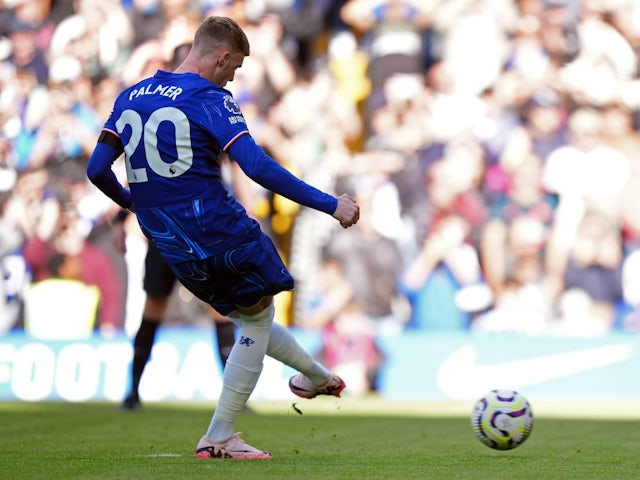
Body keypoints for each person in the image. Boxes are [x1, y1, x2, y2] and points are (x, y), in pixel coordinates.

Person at [86, 16, 359, 459]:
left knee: (251, 317)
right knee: (255, 318)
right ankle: (219, 436)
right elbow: (258, 167)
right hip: (217, 228)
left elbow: (96, 170)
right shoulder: (211, 98)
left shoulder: (130, 97)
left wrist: (133, 203)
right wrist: (331, 204)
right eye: (235, 67)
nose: (234, 76)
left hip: (169, 241)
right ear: (222, 56)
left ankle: (316, 377)